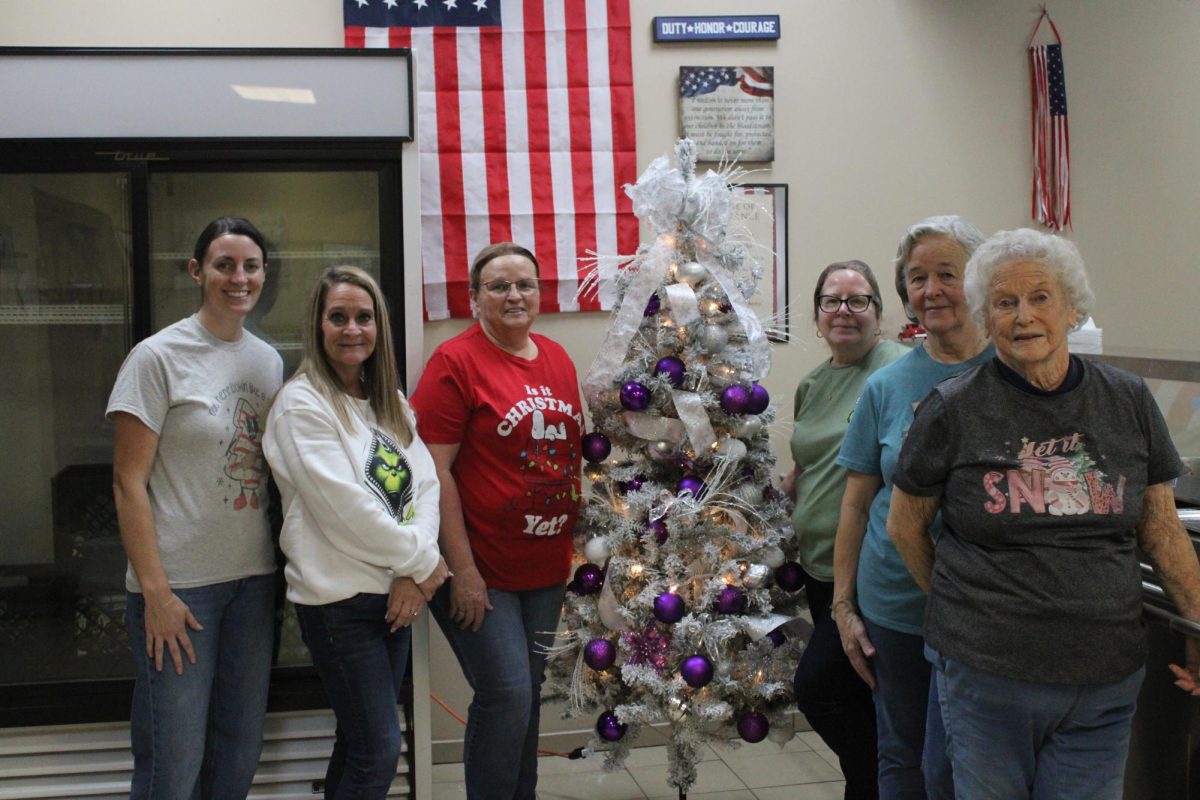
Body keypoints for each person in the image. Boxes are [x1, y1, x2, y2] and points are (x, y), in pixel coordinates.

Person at [887, 228, 1200, 799]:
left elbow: (1160, 529)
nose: (1023, 316)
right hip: (988, 678)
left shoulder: (1127, 400)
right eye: (1004, 303)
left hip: (1105, 678)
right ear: (986, 317)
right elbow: (904, 528)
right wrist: (964, 611)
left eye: (1040, 298)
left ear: (1072, 307)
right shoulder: (952, 408)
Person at [108, 215, 283, 799]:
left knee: (238, 749)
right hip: (181, 591)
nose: (239, 277)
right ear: (196, 271)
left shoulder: (268, 361)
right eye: (224, 264)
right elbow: (127, 483)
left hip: (254, 584)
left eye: (250, 266)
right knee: (173, 762)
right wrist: (156, 594)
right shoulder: (157, 357)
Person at [263, 266, 449, 799]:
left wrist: (416, 573)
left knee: (359, 743)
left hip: (395, 597)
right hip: (339, 606)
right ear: (317, 327)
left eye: (363, 318)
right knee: (377, 752)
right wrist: (422, 563)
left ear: (378, 327)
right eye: (338, 317)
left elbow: (427, 486)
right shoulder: (302, 405)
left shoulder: (386, 400)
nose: (352, 329)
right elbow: (343, 512)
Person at [410, 242, 583, 800]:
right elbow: (432, 472)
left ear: (539, 292)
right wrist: (461, 569)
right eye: (499, 286)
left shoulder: (557, 357)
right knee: (506, 692)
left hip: (545, 568)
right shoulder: (454, 362)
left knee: (526, 693)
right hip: (479, 566)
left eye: (524, 284)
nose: (514, 295)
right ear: (474, 297)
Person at [832, 215, 994, 799]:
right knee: (901, 755)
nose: (930, 291)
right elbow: (856, 505)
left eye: (946, 274)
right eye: (917, 278)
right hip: (896, 606)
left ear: (978, 281)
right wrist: (844, 606)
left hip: (985, 608)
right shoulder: (888, 386)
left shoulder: (1015, 373)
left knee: (967, 760)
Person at [782, 260, 907, 799]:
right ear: (817, 317)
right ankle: (871, 786)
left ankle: (883, 781)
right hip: (817, 565)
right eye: (832, 301)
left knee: (821, 689)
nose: (844, 311)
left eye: (859, 301)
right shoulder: (813, 383)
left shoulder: (895, 373)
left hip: (867, 571)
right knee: (855, 698)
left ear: (879, 313)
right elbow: (810, 462)